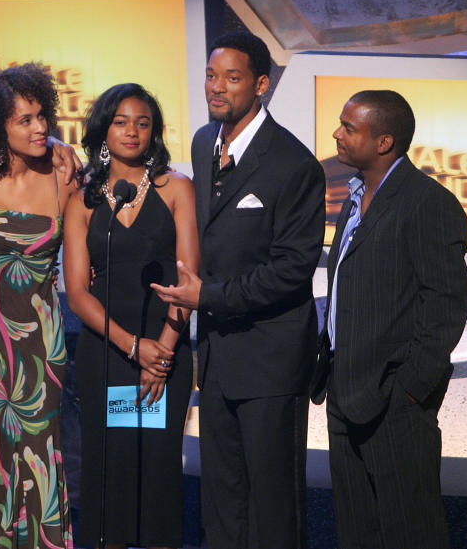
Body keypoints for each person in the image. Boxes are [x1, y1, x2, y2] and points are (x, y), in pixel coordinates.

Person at [152, 32, 325, 549]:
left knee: (273, 506)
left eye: (232, 78)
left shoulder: (294, 165)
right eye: (211, 75)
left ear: (262, 85)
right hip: (218, 357)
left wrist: (207, 298)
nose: (217, 88)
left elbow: (291, 270)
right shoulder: (205, 141)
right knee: (221, 499)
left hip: (272, 359)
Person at [322, 90, 467, 549]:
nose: (337, 134)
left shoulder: (428, 203)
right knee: (357, 532)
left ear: (384, 142)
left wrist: (408, 388)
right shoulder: (353, 197)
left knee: (411, 532)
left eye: (349, 128)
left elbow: (444, 306)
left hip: (394, 403)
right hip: (344, 393)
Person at [63, 83, 199, 549]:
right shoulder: (83, 198)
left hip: (166, 352)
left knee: (157, 470)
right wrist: (133, 347)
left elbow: (188, 281)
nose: (132, 132)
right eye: (121, 121)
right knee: (111, 475)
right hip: (108, 352)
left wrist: (160, 351)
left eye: (143, 123)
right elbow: (78, 292)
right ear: (104, 130)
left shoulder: (177, 188)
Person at [0, 64, 79, 548]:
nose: (40, 128)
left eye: (42, 116)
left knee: (39, 450)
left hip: (42, 343)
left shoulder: (64, 173)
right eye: (24, 120)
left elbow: (114, 162)